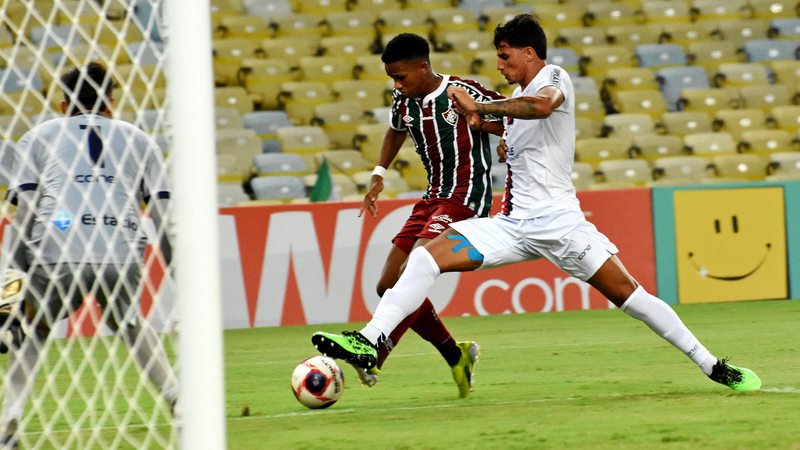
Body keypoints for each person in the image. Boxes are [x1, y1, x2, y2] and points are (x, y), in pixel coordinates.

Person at [311, 15, 761, 392]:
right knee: (425, 259)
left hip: (562, 225)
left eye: (505, 55)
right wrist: (482, 123)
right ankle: (370, 340)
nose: (500, 64)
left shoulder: (553, 78)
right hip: (514, 225)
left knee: (631, 296)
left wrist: (483, 108)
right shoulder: (510, 102)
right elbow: (509, 126)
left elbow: (542, 108)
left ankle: (711, 364)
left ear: (529, 52)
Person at [0, 62, 180, 447]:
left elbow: (25, 216)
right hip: (121, 248)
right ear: (111, 102)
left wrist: (9, 290)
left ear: (63, 105)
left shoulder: (38, 136)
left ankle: (9, 422)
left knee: (32, 329)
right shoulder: (142, 140)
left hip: (57, 244)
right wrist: (180, 274)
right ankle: (175, 398)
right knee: (129, 322)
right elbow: (164, 219)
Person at [329, 33, 505, 397]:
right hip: (431, 199)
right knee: (387, 285)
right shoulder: (403, 99)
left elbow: (514, 114)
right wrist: (378, 174)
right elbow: (395, 130)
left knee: (414, 270)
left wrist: (502, 134)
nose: (396, 84)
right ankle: (456, 355)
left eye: (401, 76)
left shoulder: (462, 90)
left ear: (423, 66)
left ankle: (375, 352)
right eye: (392, 78)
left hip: (464, 196)